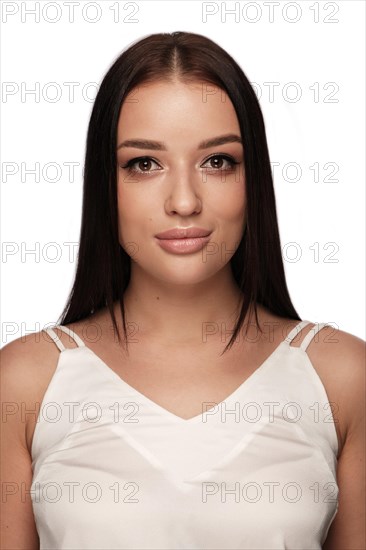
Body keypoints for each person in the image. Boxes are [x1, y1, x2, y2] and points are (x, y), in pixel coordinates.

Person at [1, 31, 364, 550]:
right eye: (144, 163)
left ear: (252, 176)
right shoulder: (25, 382)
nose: (184, 201)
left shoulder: (342, 376)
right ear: (106, 184)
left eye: (217, 161)